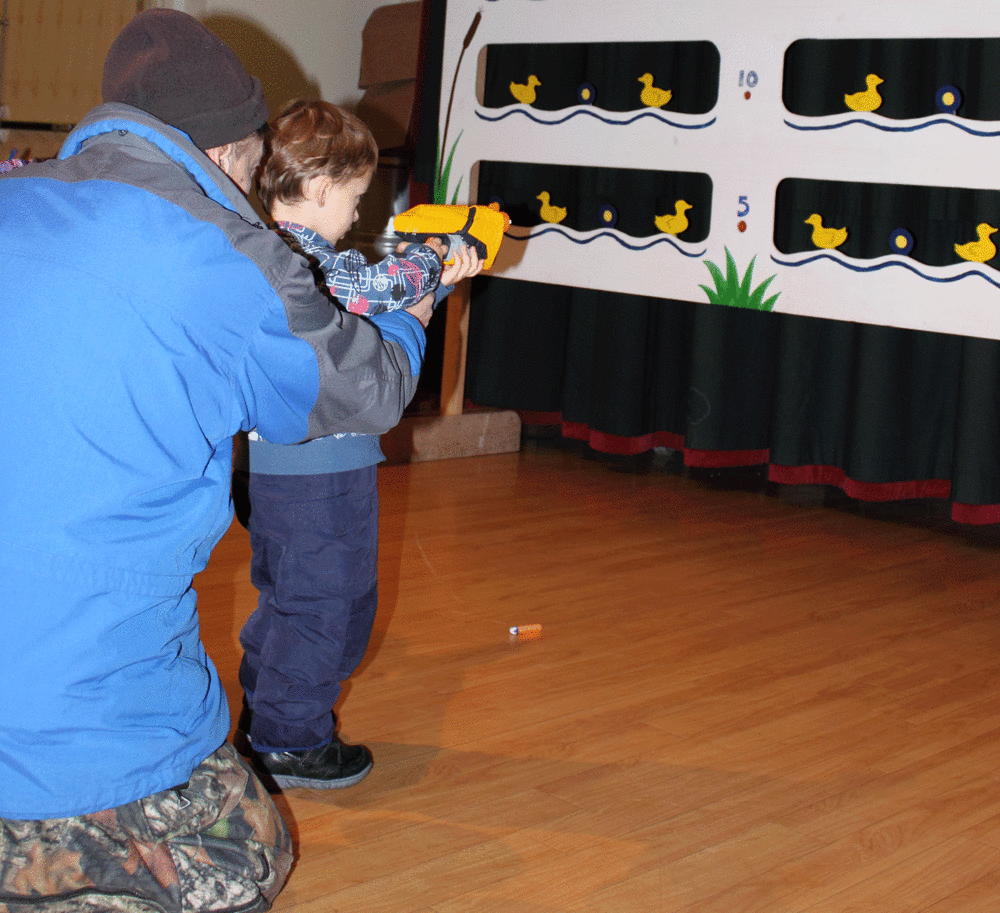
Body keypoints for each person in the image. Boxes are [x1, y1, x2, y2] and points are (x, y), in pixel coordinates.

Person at [0, 9, 432, 911]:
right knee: (246, 852)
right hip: (73, 733)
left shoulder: (15, 196)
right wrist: (409, 320)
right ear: (237, 154)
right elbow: (366, 392)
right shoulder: (228, 256)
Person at [236, 100, 482, 790]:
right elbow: (375, 288)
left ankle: (267, 714)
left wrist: (416, 274)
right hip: (315, 474)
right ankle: (290, 739)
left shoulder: (282, 256)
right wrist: (430, 263)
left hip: (307, 469)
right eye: (353, 199)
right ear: (317, 189)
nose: (355, 215)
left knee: (304, 599)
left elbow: (363, 296)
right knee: (324, 605)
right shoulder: (299, 261)